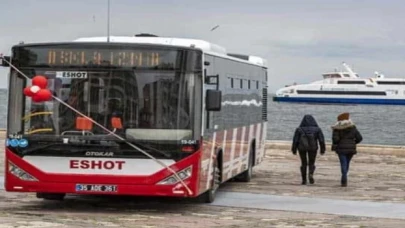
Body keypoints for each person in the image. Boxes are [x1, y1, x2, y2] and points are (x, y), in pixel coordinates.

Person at [292, 114, 326, 185]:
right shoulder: (317, 129)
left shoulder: (299, 129)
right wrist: (322, 149)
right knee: (312, 162)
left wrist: (294, 149)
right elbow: (321, 140)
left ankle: (304, 180)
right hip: (313, 148)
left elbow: (295, 140)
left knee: (303, 163)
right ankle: (311, 174)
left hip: (302, 148)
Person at [331, 112, 362, 187]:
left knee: (343, 163)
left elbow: (335, 140)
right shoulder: (353, 128)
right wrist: (353, 143)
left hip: (341, 148)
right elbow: (359, 138)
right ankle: (344, 176)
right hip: (351, 148)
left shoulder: (337, 129)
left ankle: (344, 178)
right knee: (347, 163)